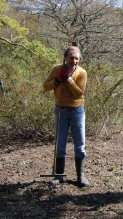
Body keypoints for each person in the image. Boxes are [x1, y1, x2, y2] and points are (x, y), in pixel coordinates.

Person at [43, 46, 89, 187]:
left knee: (79, 145)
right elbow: (45, 87)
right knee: (60, 144)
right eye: (71, 58)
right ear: (65, 58)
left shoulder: (81, 73)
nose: (74, 61)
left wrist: (68, 79)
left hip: (77, 111)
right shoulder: (56, 69)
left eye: (76, 58)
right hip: (60, 111)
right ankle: (59, 175)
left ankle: (80, 176)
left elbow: (78, 93)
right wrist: (57, 80)